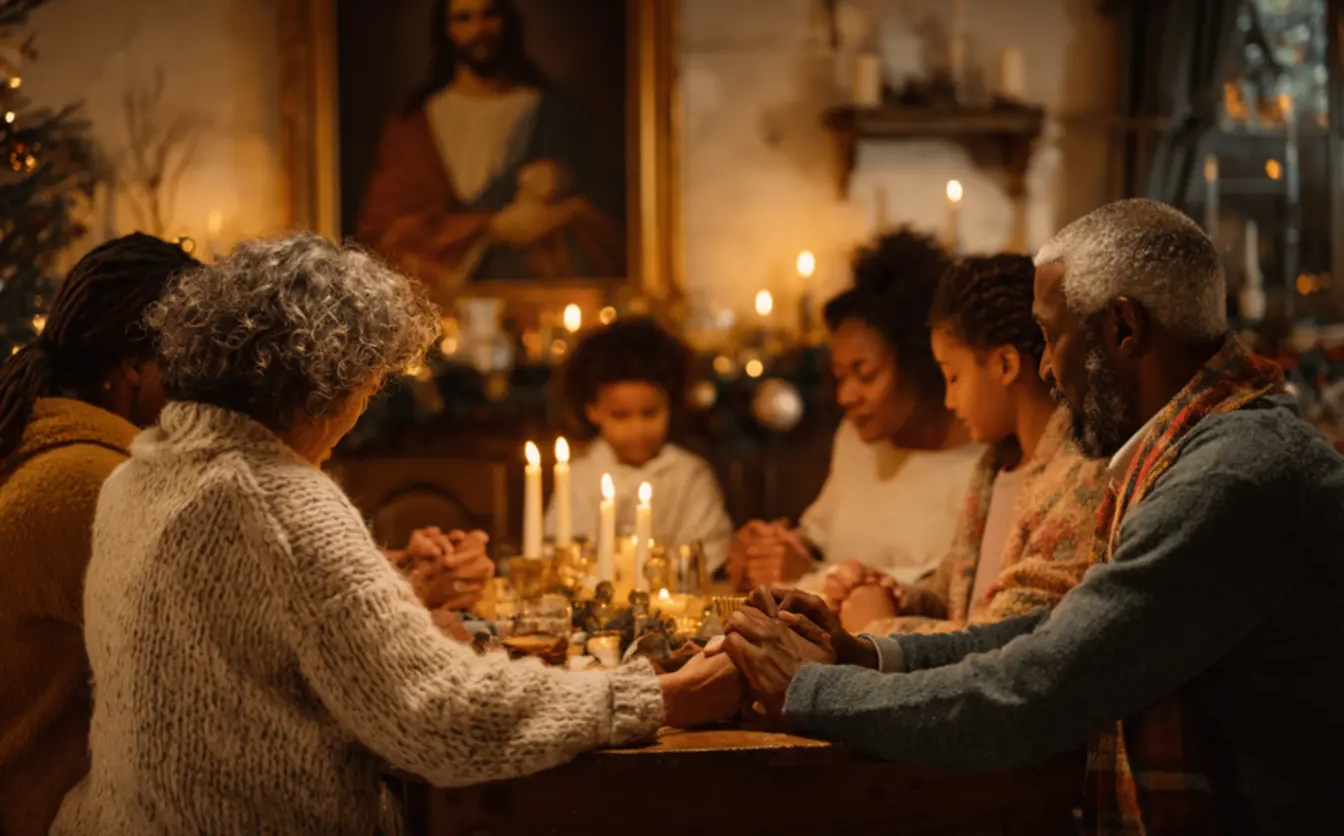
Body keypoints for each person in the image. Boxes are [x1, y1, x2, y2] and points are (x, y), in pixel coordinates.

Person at [52, 234, 740, 835]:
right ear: (328, 382)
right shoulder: (278, 498)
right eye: (371, 384)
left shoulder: (142, 473)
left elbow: (253, 647)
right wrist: (656, 696)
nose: (362, 406)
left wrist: (397, 596)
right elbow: (438, 717)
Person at [717, 200, 1344, 834]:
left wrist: (811, 689)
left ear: (1123, 328)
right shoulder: (1189, 450)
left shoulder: (1234, 472)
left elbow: (1037, 691)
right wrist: (867, 656)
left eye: (1050, 333)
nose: (1045, 366)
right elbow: (1059, 633)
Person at [0, 233, 200, 836]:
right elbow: (222, 654)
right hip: (51, 809)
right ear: (136, 365)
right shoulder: (91, 485)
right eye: (190, 358)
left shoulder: (61, 454)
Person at [827, 254, 1108, 634]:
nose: (947, 400)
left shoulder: (1080, 475)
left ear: (1005, 365)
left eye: (954, 377)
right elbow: (953, 593)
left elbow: (1007, 637)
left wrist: (882, 626)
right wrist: (890, 594)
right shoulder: (995, 467)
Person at [727, 229, 980, 591]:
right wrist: (768, 549)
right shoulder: (856, 439)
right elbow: (816, 538)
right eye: (839, 376)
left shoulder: (980, 464)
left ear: (919, 364)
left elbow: (939, 588)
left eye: (865, 374)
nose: (846, 395)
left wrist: (805, 576)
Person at [357, 0, 624, 286]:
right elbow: (386, 233)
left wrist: (561, 197)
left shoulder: (550, 111)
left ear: (507, 23)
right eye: (463, 19)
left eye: (489, 15)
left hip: (531, 286)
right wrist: (491, 227)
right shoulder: (413, 125)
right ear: (445, 31)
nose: (478, 30)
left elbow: (607, 211)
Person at [546, 317, 733, 573]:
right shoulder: (581, 476)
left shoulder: (689, 475)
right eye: (621, 416)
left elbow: (709, 552)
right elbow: (561, 550)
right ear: (593, 411)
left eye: (649, 413)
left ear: (669, 406)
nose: (637, 429)